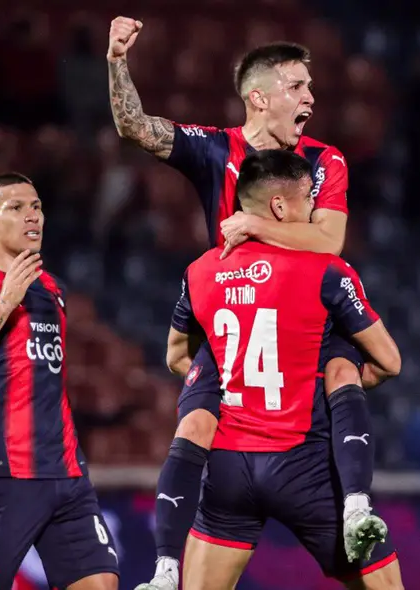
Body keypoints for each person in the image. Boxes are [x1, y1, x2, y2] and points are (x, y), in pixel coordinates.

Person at [106, 18, 386, 590]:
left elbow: (329, 240)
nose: (310, 98)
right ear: (259, 98)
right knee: (194, 418)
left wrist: (254, 224)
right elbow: (135, 127)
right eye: (296, 86)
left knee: (345, 370)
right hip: (234, 322)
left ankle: (357, 503)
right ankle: (164, 570)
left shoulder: (324, 160)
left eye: (310, 87)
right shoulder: (215, 149)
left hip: (304, 320)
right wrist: (115, 61)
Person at [167, 149, 404, 590]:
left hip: (231, 465)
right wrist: (326, 381)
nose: (314, 210)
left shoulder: (200, 272)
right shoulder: (326, 270)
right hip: (304, 461)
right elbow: (389, 361)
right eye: (308, 199)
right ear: (280, 206)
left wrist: (232, 384)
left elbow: (177, 357)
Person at [0, 173, 120, 590]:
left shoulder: (53, 289)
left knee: (101, 584)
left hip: (69, 475)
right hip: (8, 478)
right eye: (16, 208)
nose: (32, 216)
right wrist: (6, 302)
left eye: (36, 206)